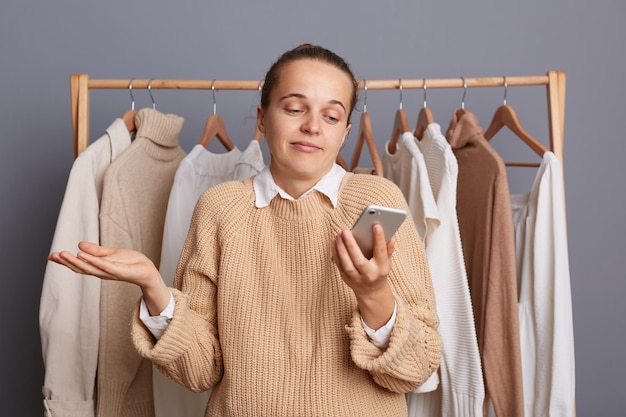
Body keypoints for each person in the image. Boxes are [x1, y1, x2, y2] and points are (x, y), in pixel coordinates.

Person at [49, 44, 442, 417]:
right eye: (294, 108)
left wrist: (374, 297)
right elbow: (200, 371)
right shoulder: (221, 208)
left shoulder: (377, 198)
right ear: (261, 117)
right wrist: (153, 287)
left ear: (345, 131)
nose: (311, 127)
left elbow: (418, 367)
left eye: (331, 116)